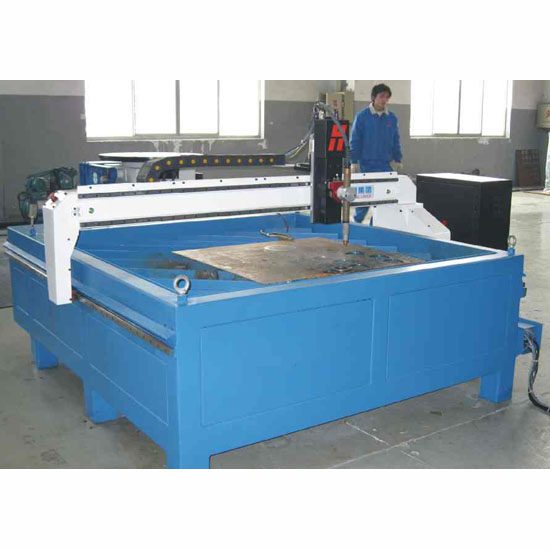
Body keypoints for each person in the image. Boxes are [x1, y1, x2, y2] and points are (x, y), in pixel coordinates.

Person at [350, 83, 403, 223]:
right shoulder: (362, 117)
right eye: (381, 96)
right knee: (366, 196)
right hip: (366, 163)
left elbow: (395, 139)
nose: (384, 100)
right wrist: (353, 162)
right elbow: (355, 140)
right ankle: (357, 222)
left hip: (385, 163)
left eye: (387, 97)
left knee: (385, 195)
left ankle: (376, 223)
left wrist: (398, 158)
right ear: (373, 97)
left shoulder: (391, 118)